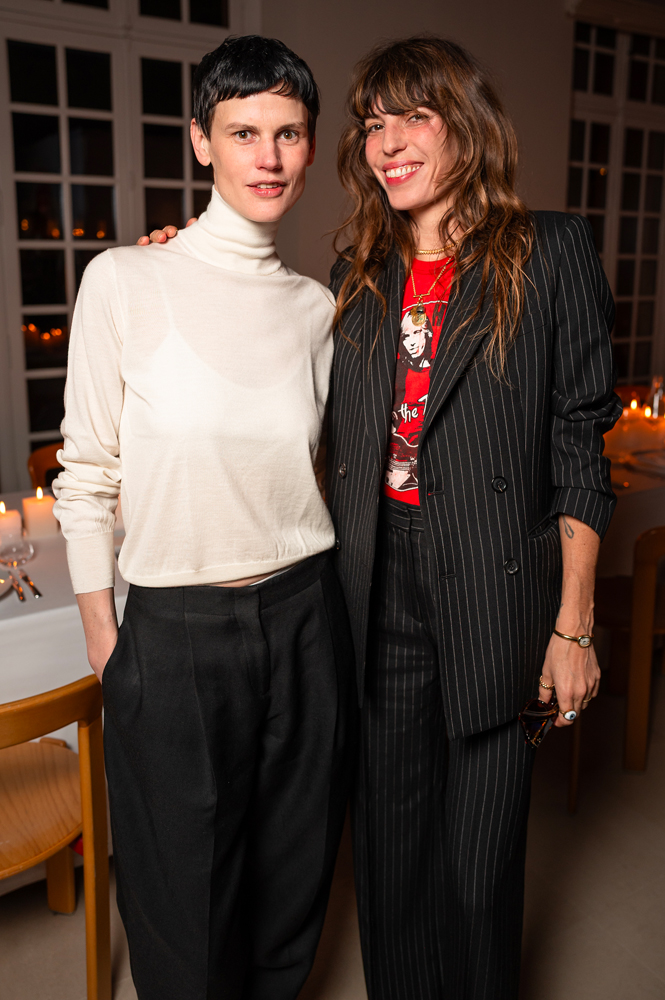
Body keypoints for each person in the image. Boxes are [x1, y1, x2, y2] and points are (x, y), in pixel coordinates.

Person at [143, 33, 622, 1000]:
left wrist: (573, 623)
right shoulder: (352, 278)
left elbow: (579, 442)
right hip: (371, 591)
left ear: (467, 126)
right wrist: (174, 268)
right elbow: (274, 374)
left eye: (414, 116)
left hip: (495, 591)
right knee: (392, 859)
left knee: (479, 868)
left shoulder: (551, 250)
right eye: (371, 124)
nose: (387, 142)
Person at [52, 35, 355, 1000]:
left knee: (292, 878)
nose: (267, 156)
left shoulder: (321, 311)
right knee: (180, 901)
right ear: (200, 143)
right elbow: (87, 472)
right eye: (243, 132)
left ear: (311, 150)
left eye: (289, 133)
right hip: (175, 629)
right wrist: (108, 639)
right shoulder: (125, 282)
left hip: (307, 615)